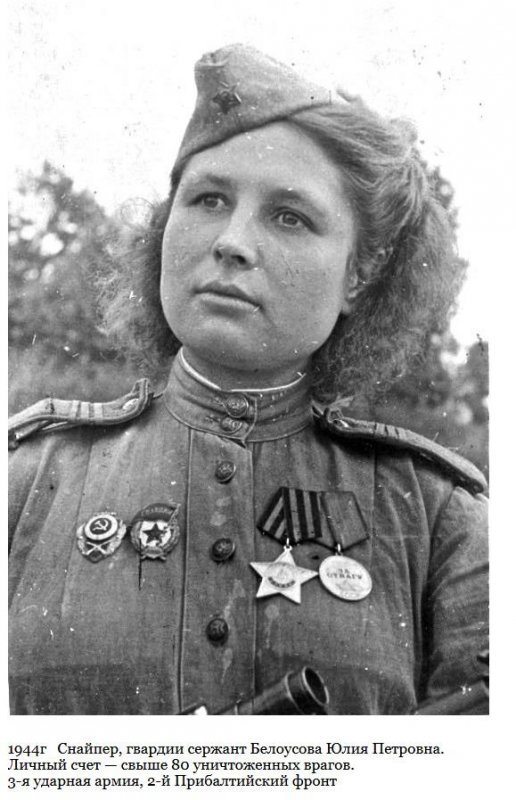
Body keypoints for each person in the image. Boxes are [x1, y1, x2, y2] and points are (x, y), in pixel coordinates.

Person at [8, 43, 488, 715]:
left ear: (358, 276)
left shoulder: (440, 518)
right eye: (208, 199)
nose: (231, 241)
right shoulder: (27, 480)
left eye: (290, 216)